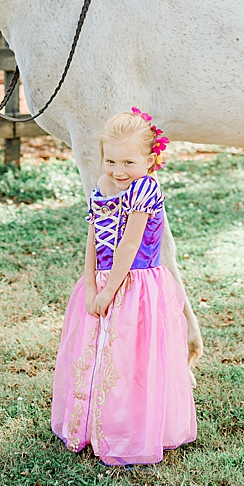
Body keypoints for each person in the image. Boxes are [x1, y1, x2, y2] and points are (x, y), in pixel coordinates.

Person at [51, 107, 196, 466]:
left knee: (132, 357)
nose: (118, 171)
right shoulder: (103, 187)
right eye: (111, 160)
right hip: (101, 280)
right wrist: (89, 286)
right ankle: (92, 425)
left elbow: (129, 247)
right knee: (96, 355)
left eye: (129, 162)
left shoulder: (145, 189)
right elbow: (92, 239)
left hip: (136, 284)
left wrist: (108, 291)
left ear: (150, 160)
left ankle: (131, 427)